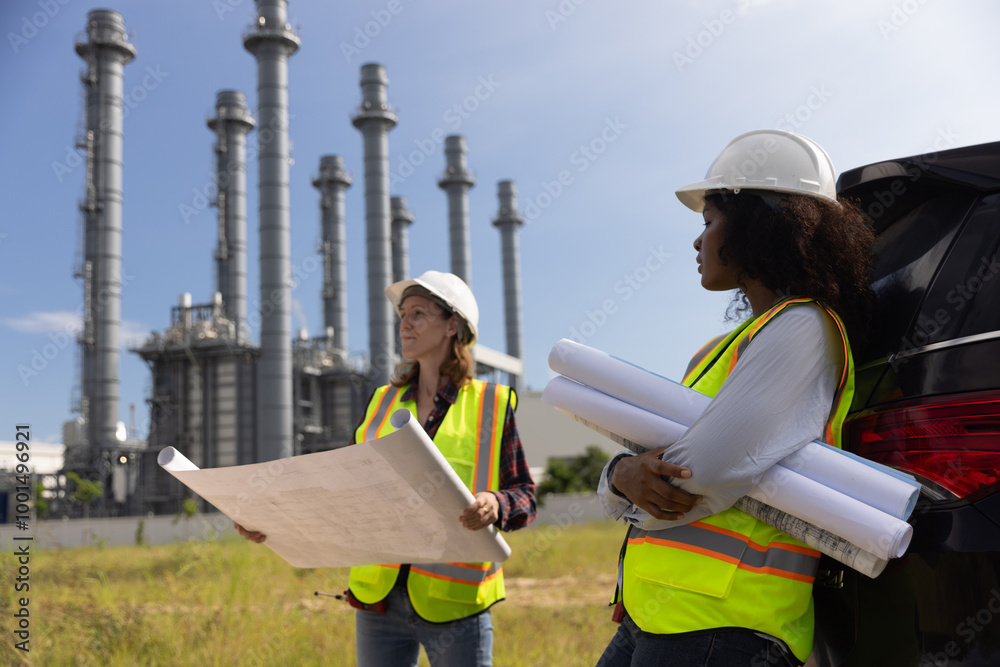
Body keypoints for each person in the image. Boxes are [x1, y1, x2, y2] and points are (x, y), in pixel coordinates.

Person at [595, 129, 875, 667]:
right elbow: (655, 466)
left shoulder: (804, 328)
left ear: (758, 224)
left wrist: (620, 482)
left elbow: (694, 477)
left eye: (708, 222)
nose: (697, 243)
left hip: (728, 630)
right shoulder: (719, 349)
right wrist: (623, 474)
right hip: (656, 615)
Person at [237, 270, 535, 667]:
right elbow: (343, 491)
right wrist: (273, 521)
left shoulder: (492, 405)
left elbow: (525, 496)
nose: (405, 324)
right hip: (378, 600)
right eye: (402, 314)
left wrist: (496, 504)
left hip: (455, 602)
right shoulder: (380, 403)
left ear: (452, 326)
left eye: (418, 313)